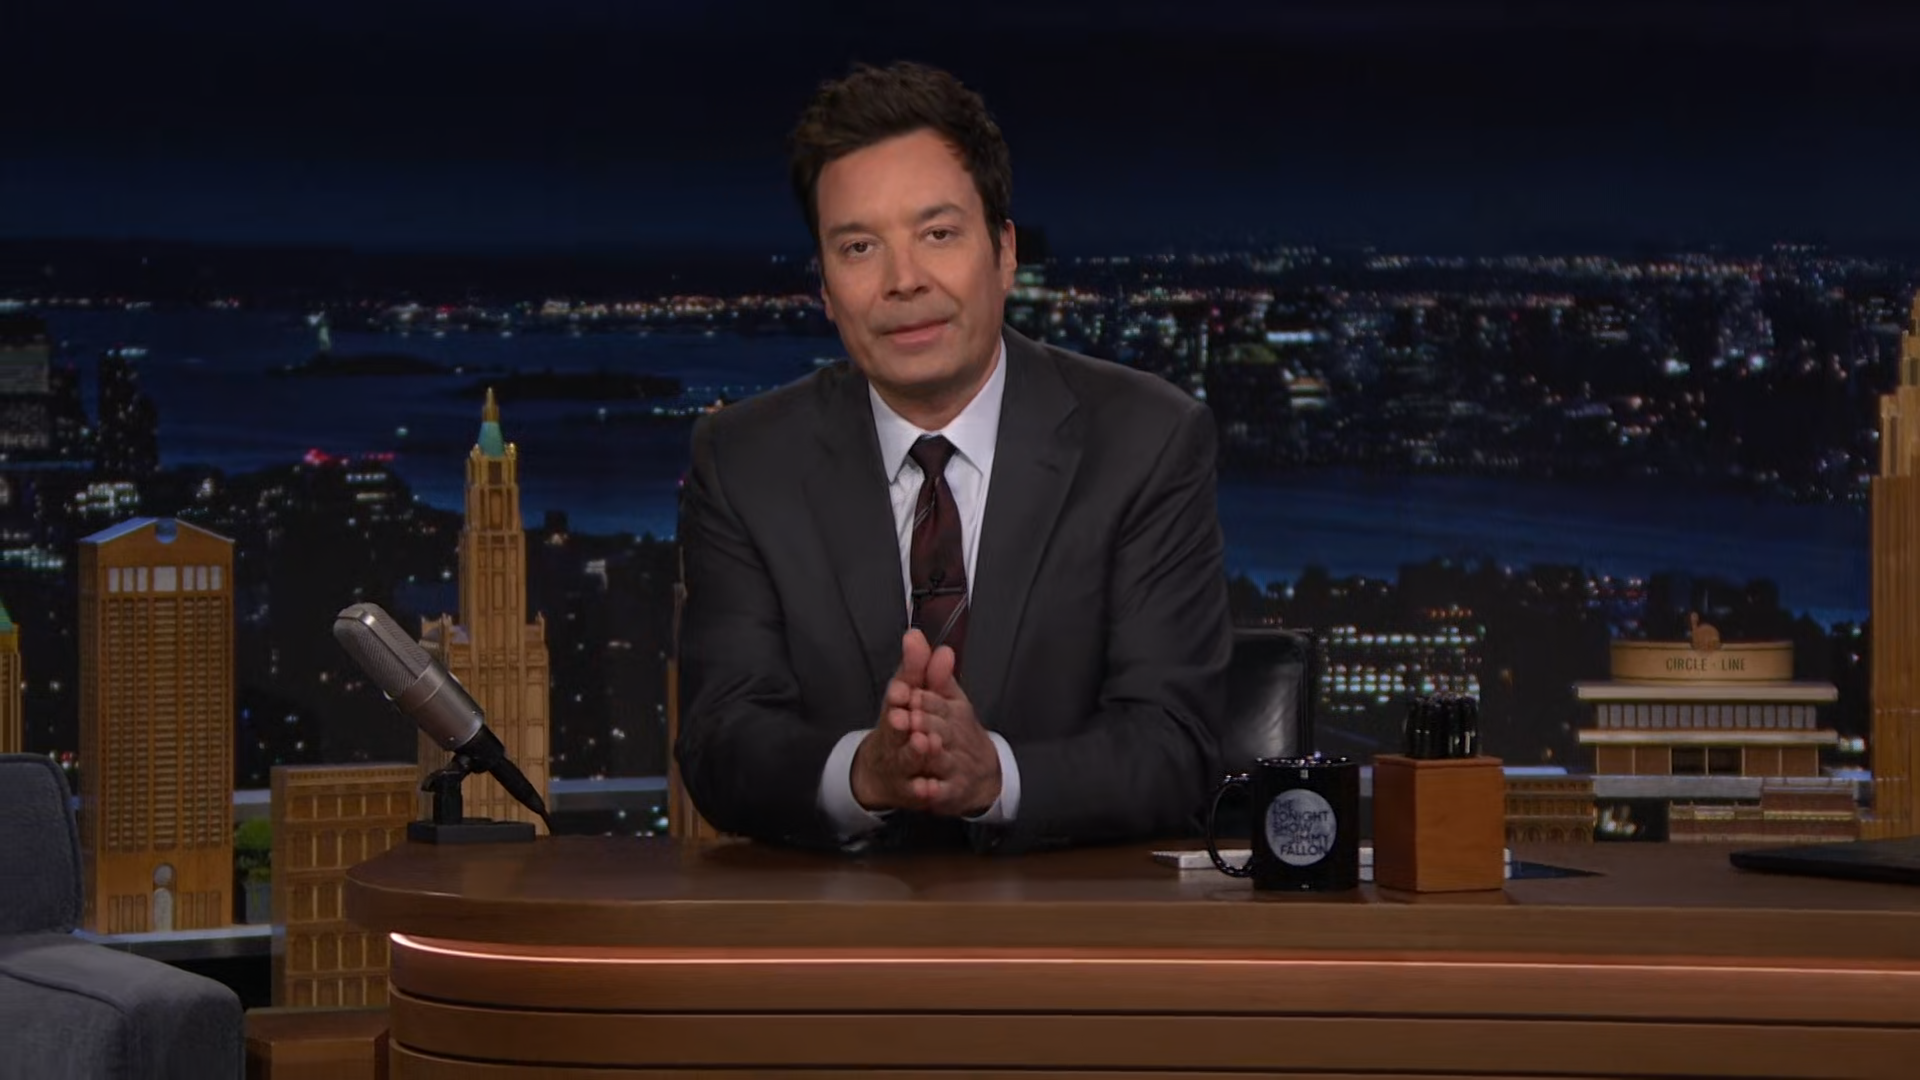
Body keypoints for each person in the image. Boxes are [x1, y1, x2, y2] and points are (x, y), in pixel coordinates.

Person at [674, 60, 1231, 854]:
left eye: (938, 234)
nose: (903, 281)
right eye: (859, 246)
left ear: (1003, 252)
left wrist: (992, 776)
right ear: (825, 287)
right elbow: (721, 743)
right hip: (831, 924)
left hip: (1075, 920)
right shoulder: (744, 461)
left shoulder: (1147, 441)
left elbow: (1176, 744)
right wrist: (865, 772)